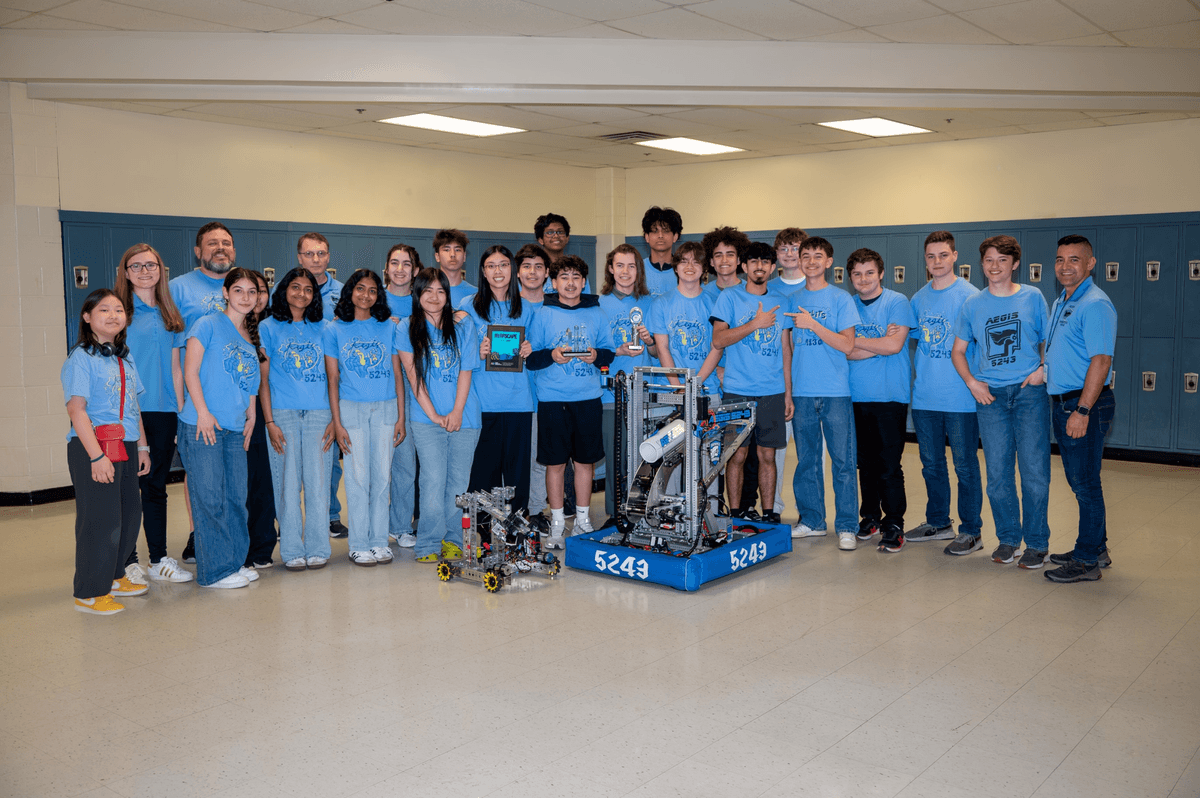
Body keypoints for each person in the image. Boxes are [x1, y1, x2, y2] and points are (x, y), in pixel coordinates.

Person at [952, 235, 1052, 569]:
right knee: (997, 473)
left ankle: (1037, 542)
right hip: (990, 397)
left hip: (1028, 393)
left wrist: (1042, 369)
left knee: (1035, 471)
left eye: (1002, 261)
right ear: (981, 265)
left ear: (1015, 263)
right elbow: (959, 351)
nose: (995, 267)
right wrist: (972, 382)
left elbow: (1048, 341)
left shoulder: (1033, 297)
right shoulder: (972, 305)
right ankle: (1009, 538)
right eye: (989, 261)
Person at [63, 289, 152, 614]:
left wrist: (141, 445)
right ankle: (89, 592)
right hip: (94, 446)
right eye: (104, 310)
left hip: (126, 445)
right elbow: (77, 410)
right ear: (87, 317)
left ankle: (114, 576)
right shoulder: (81, 358)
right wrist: (97, 457)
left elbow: (134, 405)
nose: (113, 315)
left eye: (118, 309)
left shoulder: (122, 357)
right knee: (100, 520)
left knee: (128, 516)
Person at [176, 268, 264, 589]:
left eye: (251, 292)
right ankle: (215, 572)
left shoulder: (250, 336)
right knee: (210, 498)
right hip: (203, 426)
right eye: (238, 290)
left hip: (234, 427)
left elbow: (249, 381)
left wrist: (251, 413)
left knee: (235, 498)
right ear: (225, 293)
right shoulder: (208, 324)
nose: (245, 297)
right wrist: (202, 411)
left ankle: (234, 561)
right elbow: (191, 371)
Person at [114, 244, 192, 584]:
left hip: (162, 410)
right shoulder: (120, 314)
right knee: (128, 489)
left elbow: (176, 368)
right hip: (128, 413)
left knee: (156, 487)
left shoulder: (170, 312)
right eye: (137, 266)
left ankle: (158, 559)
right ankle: (128, 561)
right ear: (126, 272)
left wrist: (179, 410)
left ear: (161, 269)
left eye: (152, 264)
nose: (145, 270)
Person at [526, 255, 615, 547]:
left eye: (576, 277)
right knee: (555, 464)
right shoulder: (543, 314)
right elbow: (532, 360)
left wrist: (596, 356)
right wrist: (551, 355)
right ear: (554, 282)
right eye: (564, 277)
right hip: (552, 400)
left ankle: (583, 519)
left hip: (587, 398)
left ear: (584, 282)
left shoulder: (596, 312)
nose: (570, 283)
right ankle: (556, 522)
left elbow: (609, 352)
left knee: (585, 462)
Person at [1044, 235, 1117, 583]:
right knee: (1083, 481)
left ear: (1091, 264)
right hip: (1065, 402)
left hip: (1082, 404)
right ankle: (1095, 546)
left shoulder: (1095, 303)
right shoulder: (1064, 299)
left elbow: (1101, 361)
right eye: (1060, 259)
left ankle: (1087, 560)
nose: (1065, 266)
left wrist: (1082, 411)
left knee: (1085, 484)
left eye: (1075, 260)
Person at [397, 268, 481, 563]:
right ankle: (428, 543)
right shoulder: (406, 327)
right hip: (425, 420)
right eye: (427, 291)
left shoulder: (463, 323)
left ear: (448, 295)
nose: (434, 297)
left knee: (458, 484)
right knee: (432, 481)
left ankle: (454, 540)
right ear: (416, 294)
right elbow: (412, 376)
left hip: (466, 417)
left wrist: (456, 412)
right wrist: (434, 415)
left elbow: (466, 369)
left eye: (440, 291)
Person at [324, 269, 405, 567]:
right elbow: (332, 379)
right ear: (350, 291)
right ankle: (359, 543)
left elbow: (398, 374)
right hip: (351, 409)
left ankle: (379, 540)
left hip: (385, 408)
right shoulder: (334, 329)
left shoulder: (388, 327)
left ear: (378, 295)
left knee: (382, 476)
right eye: (360, 288)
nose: (366, 295)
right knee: (358, 478)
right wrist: (337, 421)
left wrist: (401, 417)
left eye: (372, 290)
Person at [908, 231, 984, 550]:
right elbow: (911, 341)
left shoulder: (971, 296)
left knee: (965, 465)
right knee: (931, 464)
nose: (936, 262)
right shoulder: (918, 298)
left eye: (943, 255)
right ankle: (939, 522)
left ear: (955, 256)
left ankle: (972, 530)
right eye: (930, 256)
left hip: (961, 398)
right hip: (925, 397)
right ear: (925, 260)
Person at [710, 239, 793, 523]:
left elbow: (785, 348)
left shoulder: (782, 302)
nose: (760, 267)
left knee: (767, 456)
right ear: (744, 267)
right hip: (737, 391)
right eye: (754, 262)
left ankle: (769, 513)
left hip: (772, 391)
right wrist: (753, 325)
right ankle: (735, 514)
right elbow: (719, 339)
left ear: (773, 267)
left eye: (765, 262)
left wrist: (788, 394)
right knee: (737, 456)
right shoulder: (729, 298)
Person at [785, 237, 860, 549]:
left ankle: (846, 526)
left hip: (835, 392)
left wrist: (813, 324)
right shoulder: (792, 299)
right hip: (802, 392)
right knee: (807, 461)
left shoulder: (841, 299)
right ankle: (812, 520)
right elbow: (787, 350)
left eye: (818, 256)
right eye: (806, 256)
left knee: (843, 461)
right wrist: (788, 392)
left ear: (830, 261)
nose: (812, 261)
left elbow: (847, 345)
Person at [258, 267, 334, 571]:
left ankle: (317, 546)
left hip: (320, 414)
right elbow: (263, 381)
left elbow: (333, 377)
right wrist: (269, 422)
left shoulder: (325, 328)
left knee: (318, 484)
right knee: (286, 485)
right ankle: (290, 548)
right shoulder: (267, 327)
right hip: (282, 416)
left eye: (308, 289)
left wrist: (334, 417)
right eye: (296, 287)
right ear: (284, 289)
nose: (301, 294)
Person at [169, 221, 235, 562]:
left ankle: (233, 532)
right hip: (198, 399)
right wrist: (183, 405)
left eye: (226, 242)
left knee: (233, 471)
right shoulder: (179, 288)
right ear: (198, 251)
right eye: (212, 243)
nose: (220, 248)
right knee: (198, 472)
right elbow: (174, 351)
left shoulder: (243, 285)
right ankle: (199, 533)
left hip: (235, 397)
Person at [845, 248, 915, 553]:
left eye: (869, 272)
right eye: (857, 274)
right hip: (856, 397)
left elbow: (895, 345)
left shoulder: (897, 302)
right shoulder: (846, 305)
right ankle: (870, 517)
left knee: (889, 464)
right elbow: (845, 350)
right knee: (865, 464)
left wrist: (856, 341)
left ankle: (894, 523)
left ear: (881, 273)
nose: (864, 279)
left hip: (890, 397)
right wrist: (879, 343)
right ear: (850, 277)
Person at [461, 246, 535, 516]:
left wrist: (529, 350)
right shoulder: (467, 306)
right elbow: (457, 352)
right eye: (491, 266)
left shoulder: (525, 307)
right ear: (483, 271)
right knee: (483, 474)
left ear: (512, 270)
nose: (498, 271)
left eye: (503, 264)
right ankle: (483, 532)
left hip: (518, 402)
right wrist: (476, 352)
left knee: (517, 476)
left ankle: (516, 530)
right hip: (483, 403)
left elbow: (536, 350)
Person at [294, 233, 349, 540]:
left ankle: (329, 515)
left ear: (329, 257)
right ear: (300, 257)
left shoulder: (344, 293)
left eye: (321, 254)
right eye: (309, 254)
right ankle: (290, 517)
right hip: (295, 386)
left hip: (333, 386)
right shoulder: (287, 290)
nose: (316, 259)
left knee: (330, 456)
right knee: (291, 462)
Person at [598, 244, 658, 517]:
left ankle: (642, 513)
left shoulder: (650, 303)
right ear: (610, 269)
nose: (625, 271)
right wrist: (616, 351)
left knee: (645, 458)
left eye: (631, 266)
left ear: (639, 270)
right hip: (611, 394)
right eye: (619, 265)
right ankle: (615, 514)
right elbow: (594, 352)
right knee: (616, 458)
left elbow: (658, 351)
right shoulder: (599, 304)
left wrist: (649, 341)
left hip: (644, 395)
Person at [648, 241, 722, 397]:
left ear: (704, 269)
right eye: (684, 261)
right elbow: (662, 349)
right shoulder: (660, 304)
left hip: (707, 389)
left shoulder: (716, 304)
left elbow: (717, 348)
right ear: (675, 267)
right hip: (672, 390)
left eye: (696, 262)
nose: (690, 266)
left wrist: (695, 384)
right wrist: (678, 387)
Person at [384, 244, 420, 548]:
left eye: (406, 264)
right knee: (374, 466)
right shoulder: (372, 298)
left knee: (405, 464)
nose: (400, 269)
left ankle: (401, 525)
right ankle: (374, 526)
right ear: (386, 268)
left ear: (415, 270)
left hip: (411, 391)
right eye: (394, 263)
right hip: (375, 391)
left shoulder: (422, 302)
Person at [243, 270, 278, 570]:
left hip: (272, 413)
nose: (255, 297)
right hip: (242, 413)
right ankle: (245, 546)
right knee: (246, 482)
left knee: (266, 482)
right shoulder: (231, 326)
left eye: (260, 291)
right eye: (248, 291)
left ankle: (264, 545)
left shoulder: (272, 326)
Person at [515, 244, 552, 518]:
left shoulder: (556, 305)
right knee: (515, 460)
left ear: (547, 272)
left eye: (538, 266)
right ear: (518, 272)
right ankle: (513, 512)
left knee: (540, 460)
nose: (532, 272)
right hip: (514, 395)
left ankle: (537, 511)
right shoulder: (509, 306)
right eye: (527, 266)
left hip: (547, 394)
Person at [641, 206, 683, 297]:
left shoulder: (685, 269)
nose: (660, 235)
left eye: (666, 231)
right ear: (647, 237)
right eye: (655, 231)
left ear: (675, 236)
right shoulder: (638, 269)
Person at [432, 228, 477, 306]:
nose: (453, 254)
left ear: (464, 256)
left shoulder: (476, 294)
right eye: (446, 250)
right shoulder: (427, 293)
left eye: (457, 250)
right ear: (437, 256)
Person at [774, 227, 807, 293]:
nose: (789, 254)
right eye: (784, 249)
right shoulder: (767, 288)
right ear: (777, 253)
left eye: (795, 249)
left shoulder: (816, 286)